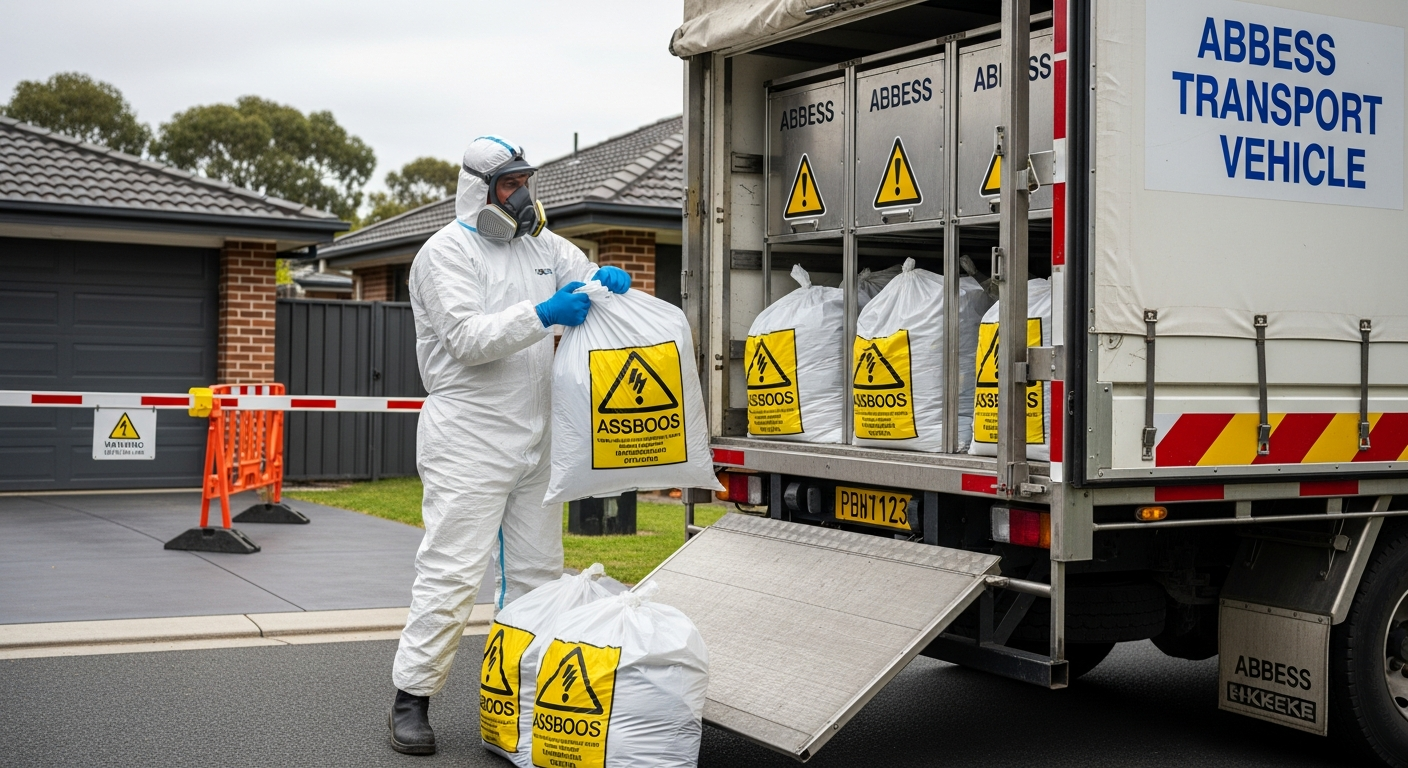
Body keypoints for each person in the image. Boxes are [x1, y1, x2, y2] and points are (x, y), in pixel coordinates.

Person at [388, 135, 631, 755]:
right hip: (470, 433)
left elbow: (585, 281)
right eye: (508, 184)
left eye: (525, 181)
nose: (521, 195)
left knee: (537, 573)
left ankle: (518, 700)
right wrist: (544, 313)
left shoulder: (542, 245)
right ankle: (411, 698)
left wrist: (606, 281)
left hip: (538, 431)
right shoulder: (443, 254)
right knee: (452, 568)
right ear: (479, 188)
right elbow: (468, 339)